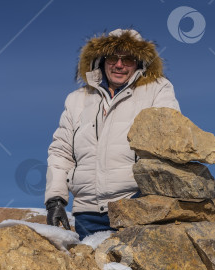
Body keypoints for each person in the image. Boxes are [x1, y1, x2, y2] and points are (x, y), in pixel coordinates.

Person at [44, 29, 180, 239]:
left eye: (127, 59)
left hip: (135, 205)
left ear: (140, 63)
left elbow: (168, 138)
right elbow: (61, 152)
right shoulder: (76, 99)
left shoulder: (157, 90)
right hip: (87, 213)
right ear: (101, 60)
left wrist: (148, 195)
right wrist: (55, 200)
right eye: (112, 58)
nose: (119, 65)